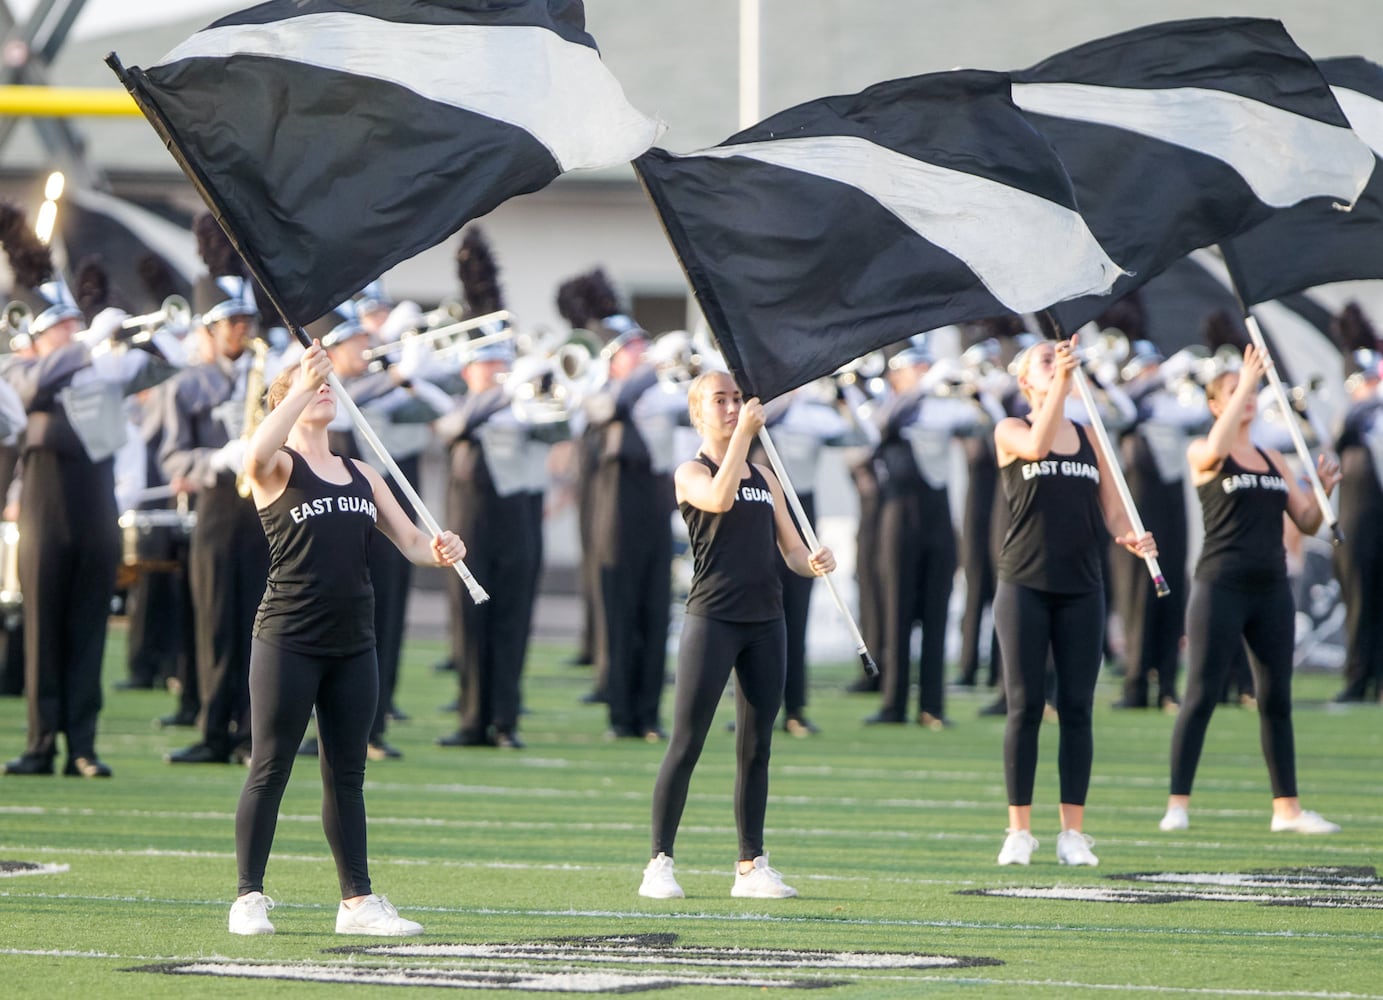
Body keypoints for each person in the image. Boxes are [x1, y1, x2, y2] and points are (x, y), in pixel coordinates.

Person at [227, 340, 466, 936]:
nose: (325, 388)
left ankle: (357, 901)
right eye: (310, 386)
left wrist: (443, 551)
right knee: (270, 765)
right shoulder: (278, 465)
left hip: (354, 641)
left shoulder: (364, 473)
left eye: (328, 384)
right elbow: (253, 451)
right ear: (287, 399)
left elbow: (412, 545)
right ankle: (248, 896)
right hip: (288, 636)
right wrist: (304, 381)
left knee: (348, 774)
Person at [638, 371, 834, 900]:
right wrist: (744, 434)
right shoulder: (690, 471)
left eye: (736, 400)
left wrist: (814, 562)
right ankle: (659, 862)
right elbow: (719, 500)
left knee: (756, 746)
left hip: (767, 620)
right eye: (719, 401)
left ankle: (751, 865)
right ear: (698, 412)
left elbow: (791, 550)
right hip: (712, 618)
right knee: (687, 741)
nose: (731, 408)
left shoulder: (765, 477)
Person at [1158, 344, 1342, 836]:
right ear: (1217, 405)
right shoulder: (1204, 451)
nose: (1248, 398)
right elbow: (1216, 450)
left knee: (1275, 699)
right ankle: (1178, 802)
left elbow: (1304, 521)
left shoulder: (1273, 459)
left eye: (1253, 391)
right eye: (1235, 392)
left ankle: (1287, 809)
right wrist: (1242, 379)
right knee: (1200, 694)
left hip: (1270, 589)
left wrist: (1322, 495)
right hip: (1221, 585)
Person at [992, 337, 1157, 867]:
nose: (1055, 363)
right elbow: (1038, 448)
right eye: (1044, 361)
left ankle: (1073, 833)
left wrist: (1133, 536)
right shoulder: (1011, 429)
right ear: (1026, 382)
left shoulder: (1091, 438)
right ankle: (1019, 830)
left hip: (1082, 586)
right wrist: (1064, 381)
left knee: (1078, 709)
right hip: (1023, 582)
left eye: (1058, 358)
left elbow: (1113, 512)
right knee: (1024, 706)